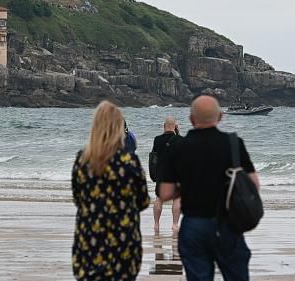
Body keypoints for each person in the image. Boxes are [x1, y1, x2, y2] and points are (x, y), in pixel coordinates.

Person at [158, 95, 259, 281]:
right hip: (228, 224)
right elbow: (254, 185)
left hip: (193, 224)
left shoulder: (178, 148)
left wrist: (186, 187)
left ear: (191, 119)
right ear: (220, 117)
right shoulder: (234, 144)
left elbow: (165, 193)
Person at [72, 101, 150, 281]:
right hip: (123, 237)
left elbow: (78, 198)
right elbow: (143, 201)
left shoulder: (82, 160)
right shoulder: (129, 162)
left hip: (89, 236)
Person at [150, 116, 182, 236]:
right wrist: (177, 132)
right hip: (176, 173)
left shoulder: (157, 140)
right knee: (177, 199)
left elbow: (154, 156)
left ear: (164, 126)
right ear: (175, 126)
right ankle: (174, 224)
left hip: (162, 173)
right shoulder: (179, 139)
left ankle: (156, 224)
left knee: (159, 198)